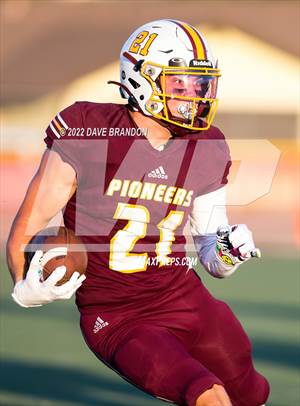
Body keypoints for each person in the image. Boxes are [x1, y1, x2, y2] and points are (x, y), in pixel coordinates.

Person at [6, 19, 269, 406]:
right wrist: (23, 285)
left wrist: (228, 250)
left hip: (185, 296)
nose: (196, 95)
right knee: (208, 396)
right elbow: (28, 225)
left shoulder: (207, 145)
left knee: (250, 394)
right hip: (119, 316)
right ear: (142, 79)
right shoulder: (87, 132)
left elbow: (213, 257)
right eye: (181, 83)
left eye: (201, 84)